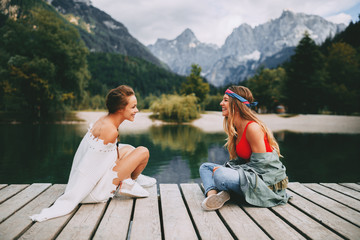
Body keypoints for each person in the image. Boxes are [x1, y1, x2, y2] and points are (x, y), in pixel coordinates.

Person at [30, 85, 156, 222]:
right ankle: (127, 183)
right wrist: (75, 195)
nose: (137, 110)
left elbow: (99, 158)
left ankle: (128, 180)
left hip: (97, 182)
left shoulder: (105, 120)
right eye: (133, 107)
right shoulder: (110, 131)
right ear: (120, 109)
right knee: (143, 152)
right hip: (95, 191)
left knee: (128, 149)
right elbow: (90, 168)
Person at [199, 86, 290, 211]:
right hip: (250, 176)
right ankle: (213, 197)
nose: (221, 103)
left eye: (225, 100)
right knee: (205, 167)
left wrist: (228, 171)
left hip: (265, 182)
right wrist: (230, 169)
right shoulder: (236, 129)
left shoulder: (253, 128)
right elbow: (242, 162)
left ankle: (228, 193)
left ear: (236, 105)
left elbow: (262, 167)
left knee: (220, 174)